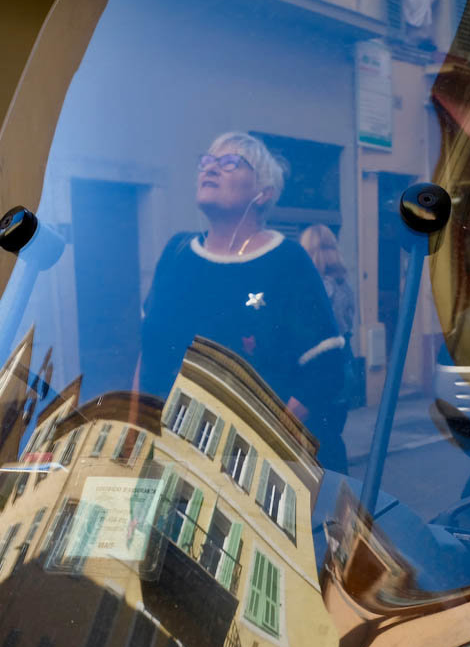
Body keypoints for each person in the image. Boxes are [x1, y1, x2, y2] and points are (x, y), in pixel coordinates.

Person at [139, 132, 345, 468]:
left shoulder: (286, 260)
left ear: (264, 193)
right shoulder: (177, 253)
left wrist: (260, 447)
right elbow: (147, 358)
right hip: (173, 460)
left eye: (230, 162)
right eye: (206, 161)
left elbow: (326, 370)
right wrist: (136, 436)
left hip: (252, 468)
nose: (211, 168)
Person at [300, 224, 355, 473]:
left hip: (320, 365)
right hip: (345, 362)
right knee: (332, 434)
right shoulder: (343, 284)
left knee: (319, 439)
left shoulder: (316, 286)